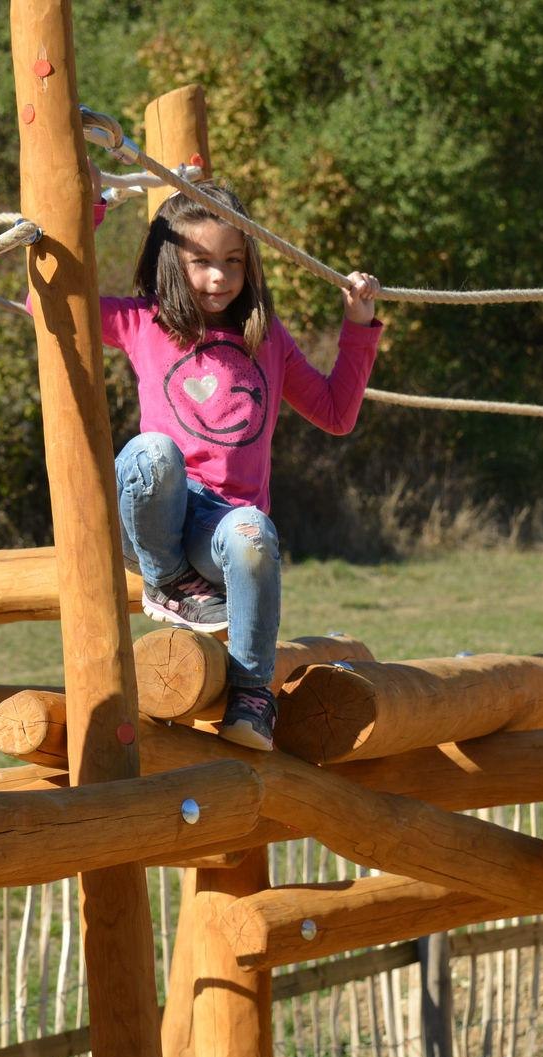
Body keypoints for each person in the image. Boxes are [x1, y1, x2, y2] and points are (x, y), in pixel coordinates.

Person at [104, 182, 381, 749]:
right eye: (201, 262)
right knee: (154, 452)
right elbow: (47, 303)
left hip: (218, 531)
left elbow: (336, 414)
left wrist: (358, 324)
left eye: (233, 261)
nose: (219, 277)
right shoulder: (143, 321)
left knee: (253, 529)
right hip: (155, 514)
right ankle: (165, 581)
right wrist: (88, 208)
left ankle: (251, 696)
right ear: (171, 263)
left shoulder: (266, 337)